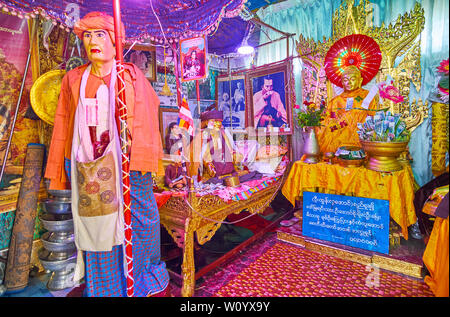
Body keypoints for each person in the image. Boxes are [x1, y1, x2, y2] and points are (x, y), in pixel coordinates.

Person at [44, 12, 170, 297]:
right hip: (92, 168)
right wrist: (64, 166)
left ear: (116, 40)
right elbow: (64, 123)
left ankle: (140, 281)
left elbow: (148, 121)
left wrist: (137, 162)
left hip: (130, 167)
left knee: (141, 222)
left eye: (100, 34)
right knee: (98, 229)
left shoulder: (132, 77)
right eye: (87, 35)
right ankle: (107, 289)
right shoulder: (73, 80)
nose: (92, 41)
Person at [316, 65, 378, 154]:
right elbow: (330, 119)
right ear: (342, 82)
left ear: (360, 81)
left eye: (352, 79)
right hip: (340, 137)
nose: (349, 82)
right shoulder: (336, 101)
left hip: (361, 137)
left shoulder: (367, 96)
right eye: (345, 80)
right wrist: (316, 124)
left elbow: (373, 117)